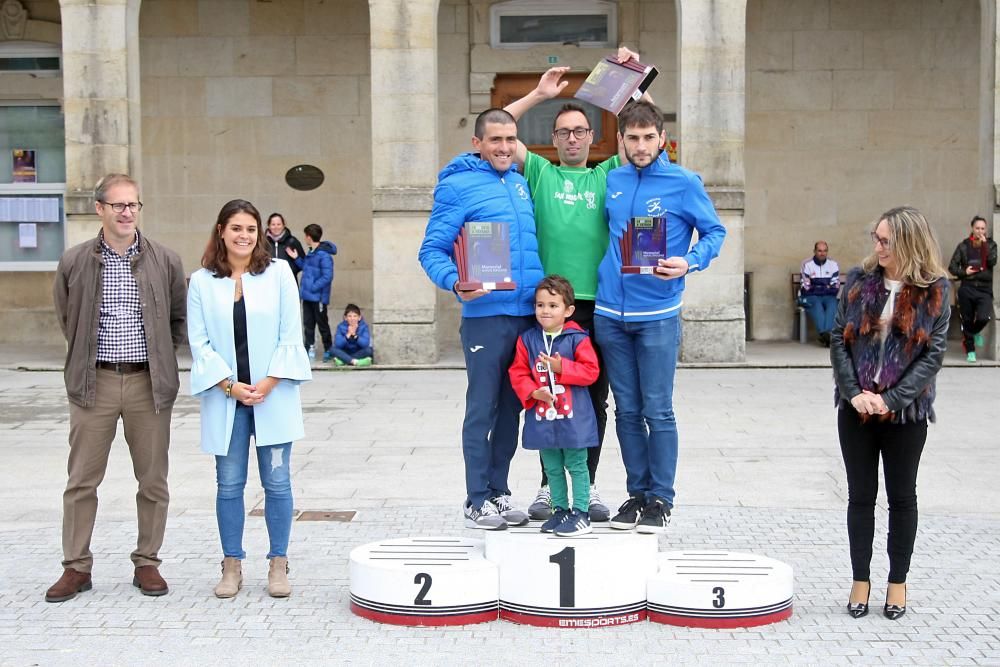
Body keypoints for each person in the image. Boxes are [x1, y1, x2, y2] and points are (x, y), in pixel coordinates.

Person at [503, 51, 639, 523]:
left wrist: (627, 82)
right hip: (548, 308)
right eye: (564, 131)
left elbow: (644, 134)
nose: (574, 137)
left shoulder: (607, 175)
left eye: (581, 130)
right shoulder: (540, 172)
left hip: (595, 306)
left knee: (590, 399)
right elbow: (501, 127)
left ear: (592, 136)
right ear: (554, 138)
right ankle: (547, 488)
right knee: (543, 389)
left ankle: (589, 482)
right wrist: (539, 95)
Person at [47, 173, 186, 602]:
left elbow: (178, 320)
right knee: (81, 481)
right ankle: (76, 568)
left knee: (153, 481)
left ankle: (147, 562)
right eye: (119, 205)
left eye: (134, 205)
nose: (127, 212)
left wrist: (161, 358)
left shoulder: (165, 260)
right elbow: (66, 318)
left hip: (149, 384)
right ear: (100, 209)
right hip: (95, 383)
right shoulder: (75, 260)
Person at [596, 100, 726, 534]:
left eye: (648, 137)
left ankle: (661, 499)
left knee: (658, 409)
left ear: (662, 139)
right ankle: (636, 495)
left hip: (658, 313)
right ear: (621, 141)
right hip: (610, 314)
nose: (641, 145)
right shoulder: (611, 179)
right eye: (632, 138)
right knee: (626, 410)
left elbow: (714, 231)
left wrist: (689, 261)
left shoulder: (683, 182)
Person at [418, 108, 544, 530]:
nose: (504, 147)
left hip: (526, 315)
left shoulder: (521, 184)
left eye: (510, 139)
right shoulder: (457, 187)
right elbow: (431, 250)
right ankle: (476, 498)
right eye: (495, 140)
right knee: (483, 408)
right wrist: (455, 283)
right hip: (486, 318)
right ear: (478, 144)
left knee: (513, 408)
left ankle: (500, 491)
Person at [187, 199, 312, 599]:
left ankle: (278, 562)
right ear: (221, 230)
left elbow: (292, 335)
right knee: (229, 484)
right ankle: (231, 564)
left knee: (277, 482)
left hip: (272, 394)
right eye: (236, 228)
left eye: (251, 229)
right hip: (227, 397)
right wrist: (229, 386)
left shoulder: (278, 274)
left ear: (259, 234)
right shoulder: (202, 282)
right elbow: (200, 344)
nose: (244, 235)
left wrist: (270, 381)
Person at [830, 206, 950, 621]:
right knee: (860, 497)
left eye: (885, 240)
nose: (877, 246)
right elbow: (838, 339)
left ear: (907, 243)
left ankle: (897, 582)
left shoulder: (935, 289)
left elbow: (933, 353)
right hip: (856, 410)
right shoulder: (859, 282)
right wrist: (853, 392)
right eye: (875, 238)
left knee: (902, 498)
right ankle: (859, 580)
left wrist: (892, 399)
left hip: (906, 414)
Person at [509, 275, 600, 537]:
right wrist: (532, 391)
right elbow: (518, 372)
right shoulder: (527, 340)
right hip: (543, 416)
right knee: (551, 466)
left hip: (574, 418)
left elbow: (591, 371)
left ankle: (581, 512)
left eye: (553, 305)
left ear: (568, 310)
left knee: (576, 464)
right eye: (540, 305)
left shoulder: (578, 339)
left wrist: (562, 368)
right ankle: (560, 510)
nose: (545, 310)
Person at [948, 215, 996, 363]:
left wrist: (985, 246)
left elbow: (992, 261)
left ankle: (974, 333)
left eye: (982, 228)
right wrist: (965, 272)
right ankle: (970, 351)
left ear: (985, 229)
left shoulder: (991, 245)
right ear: (972, 228)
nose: (980, 231)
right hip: (967, 287)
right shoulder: (963, 246)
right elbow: (952, 267)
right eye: (977, 228)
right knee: (967, 319)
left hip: (984, 288)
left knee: (983, 317)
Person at [287, 223, 336, 362]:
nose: (305, 238)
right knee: (308, 324)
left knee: (322, 324)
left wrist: (313, 287)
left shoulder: (324, 255)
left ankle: (328, 349)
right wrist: (296, 258)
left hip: (318, 297)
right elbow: (307, 269)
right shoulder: (311, 253)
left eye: (305, 236)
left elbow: (328, 276)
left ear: (309, 237)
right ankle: (309, 348)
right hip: (307, 296)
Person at [800, 240, 840, 346]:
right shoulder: (806, 264)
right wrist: (825, 287)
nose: (822, 253)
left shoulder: (833, 264)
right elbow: (806, 288)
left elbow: (835, 288)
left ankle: (826, 335)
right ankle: (826, 334)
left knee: (833, 303)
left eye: (825, 251)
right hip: (810, 296)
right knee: (816, 304)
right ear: (814, 251)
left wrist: (817, 286)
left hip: (828, 296)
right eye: (819, 251)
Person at [265, 212, 305, 280]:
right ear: (269, 226)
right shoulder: (263, 242)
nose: (276, 227)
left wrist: (296, 259)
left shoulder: (292, 241)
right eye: (273, 224)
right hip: (268, 281)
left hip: (288, 281)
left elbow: (304, 264)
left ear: (283, 225)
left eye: (279, 224)